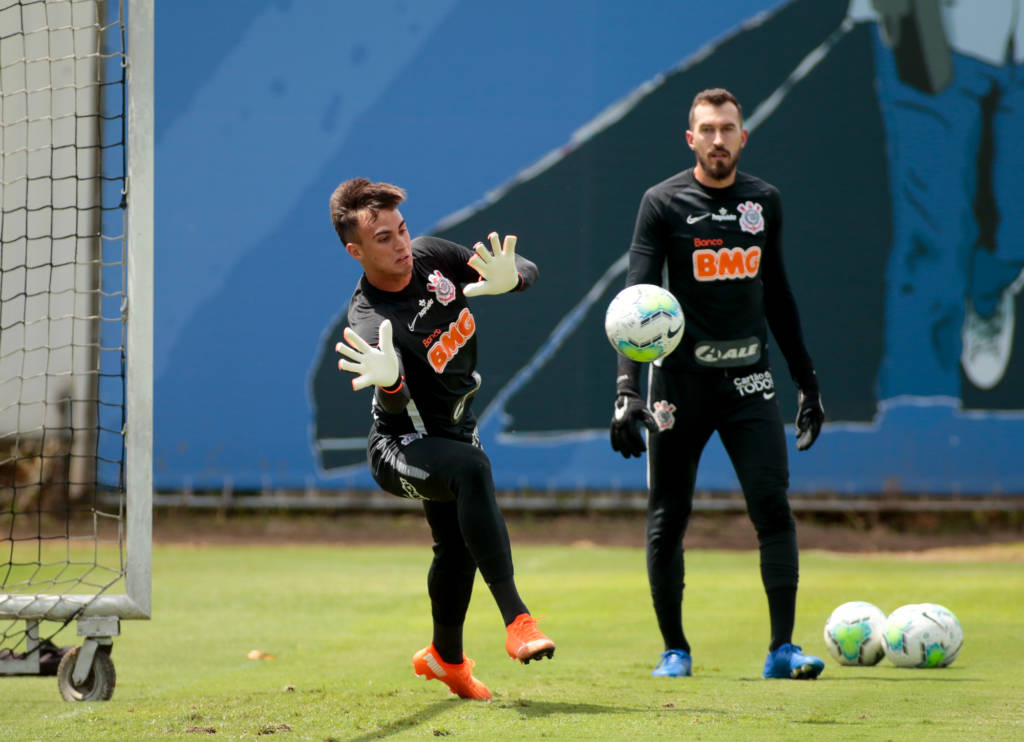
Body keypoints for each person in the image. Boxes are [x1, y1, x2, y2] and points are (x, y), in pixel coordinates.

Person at [608, 88, 826, 680]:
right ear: (691, 139)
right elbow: (635, 303)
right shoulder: (661, 203)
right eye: (707, 129)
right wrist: (627, 390)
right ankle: (674, 650)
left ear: (743, 137)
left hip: (751, 383)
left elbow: (778, 295)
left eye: (728, 128)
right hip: (679, 386)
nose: (718, 139)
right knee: (668, 515)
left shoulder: (764, 201)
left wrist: (807, 383)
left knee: (772, 508)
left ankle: (782, 650)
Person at [330, 178, 555, 700]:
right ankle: (518, 620)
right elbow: (395, 407)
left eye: (402, 230)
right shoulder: (370, 319)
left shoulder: (431, 257)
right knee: (472, 471)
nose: (401, 244)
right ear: (356, 251)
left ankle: (446, 659)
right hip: (400, 446)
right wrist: (390, 383)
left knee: (456, 548)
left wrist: (514, 279)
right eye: (383, 238)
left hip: (455, 431)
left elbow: (522, 268)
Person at [847, 0, 1024, 397]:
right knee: (932, 245)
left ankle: (990, 289)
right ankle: (916, 413)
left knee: (1014, 233)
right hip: (935, 29)